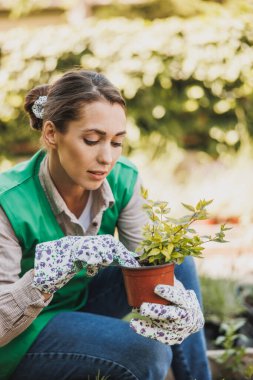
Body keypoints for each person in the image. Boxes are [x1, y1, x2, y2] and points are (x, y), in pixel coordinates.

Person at [0, 69, 211, 380]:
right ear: (51, 134)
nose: (106, 158)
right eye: (92, 140)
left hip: (82, 300)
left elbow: (148, 264)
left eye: (116, 142)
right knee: (146, 352)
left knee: (176, 263)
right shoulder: (9, 201)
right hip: (23, 333)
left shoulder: (122, 178)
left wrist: (181, 309)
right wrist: (42, 280)